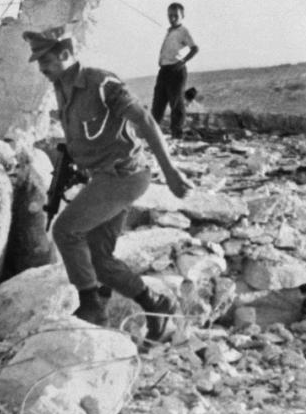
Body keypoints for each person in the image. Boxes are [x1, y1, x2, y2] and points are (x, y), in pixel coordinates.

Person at [25, 25, 191, 340]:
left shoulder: (101, 83)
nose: (41, 68)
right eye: (38, 62)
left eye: (45, 60)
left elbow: (145, 120)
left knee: (66, 230)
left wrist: (170, 172)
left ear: (65, 53)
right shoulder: (60, 87)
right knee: (99, 260)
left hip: (124, 175)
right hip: (103, 177)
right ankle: (155, 303)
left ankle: (92, 307)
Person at [151, 2, 199, 140]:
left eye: (175, 16)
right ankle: (152, 133)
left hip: (176, 70)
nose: (172, 18)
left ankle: (177, 134)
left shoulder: (183, 31)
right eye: (170, 15)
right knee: (158, 103)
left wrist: (183, 61)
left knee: (176, 103)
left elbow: (195, 48)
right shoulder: (170, 31)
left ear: (182, 16)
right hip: (164, 70)